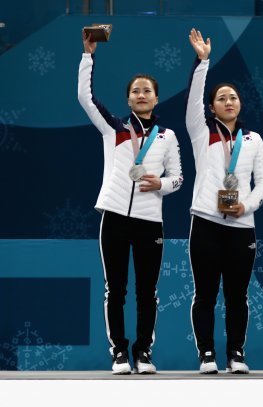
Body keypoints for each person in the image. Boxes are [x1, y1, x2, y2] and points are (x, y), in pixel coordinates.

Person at [78, 31, 183, 374]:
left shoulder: (168, 137)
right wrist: (88, 56)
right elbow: (85, 97)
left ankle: (144, 352)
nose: (141, 95)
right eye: (135, 91)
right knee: (117, 288)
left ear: (156, 99)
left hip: (150, 220)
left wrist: (161, 183)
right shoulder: (115, 129)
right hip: (114, 217)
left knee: (147, 290)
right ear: (128, 99)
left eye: (146, 91)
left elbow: (179, 178)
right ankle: (120, 353)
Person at [185, 29, 263, 374]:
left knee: (238, 295)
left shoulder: (254, 139)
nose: (228, 102)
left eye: (233, 97)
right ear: (212, 107)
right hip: (206, 222)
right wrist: (202, 62)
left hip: (241, 226)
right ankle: (207, 354)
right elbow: (192, 101)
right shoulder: (201, 131)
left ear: (241, 104)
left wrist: (246, 205)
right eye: (221, 98)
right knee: (205, 294)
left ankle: (236, 353)